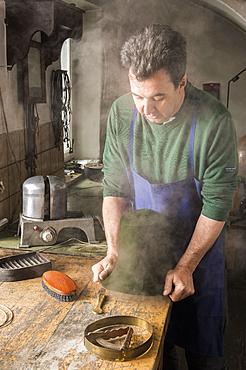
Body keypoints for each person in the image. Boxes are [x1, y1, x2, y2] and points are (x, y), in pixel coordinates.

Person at [92, 24, 238, 370]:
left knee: (204, 354)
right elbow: (115, 189)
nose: (145, 109)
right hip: (149, 254)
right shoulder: (122, 113)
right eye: (137, 95)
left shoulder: (213, 121)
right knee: (155, 348)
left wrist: (186, 266)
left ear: (182, 82)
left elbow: (217, 204)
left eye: (157, 97)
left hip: (200, 259)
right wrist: (114, 250)